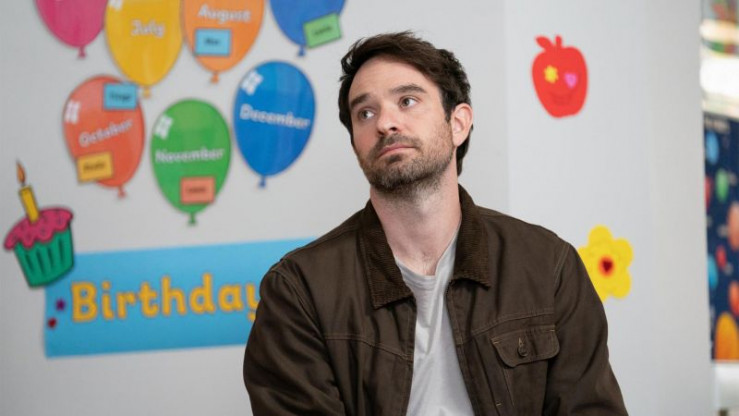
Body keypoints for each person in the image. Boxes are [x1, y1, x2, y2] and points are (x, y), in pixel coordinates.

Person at [243, 31, 627, 416]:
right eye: (366, 113)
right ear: (356, 143)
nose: (385, 123)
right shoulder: (299, 290)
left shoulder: (548, 266)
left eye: (407, 101)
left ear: (458, 123)